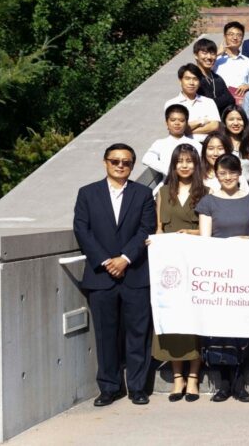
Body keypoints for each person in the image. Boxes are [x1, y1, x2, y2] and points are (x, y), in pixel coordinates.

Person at [73, 143, 156, 407]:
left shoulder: (143, 194)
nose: (121, 165)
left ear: (132, 165)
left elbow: (146, 229)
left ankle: (138, 387)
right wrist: (107, 261)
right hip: (101, 276)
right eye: (115, 161)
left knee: (138, 333)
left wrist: (125, 259)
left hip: (135, 274)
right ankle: (109, 387)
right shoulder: (87, 193)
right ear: (105, 162)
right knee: (105, 334)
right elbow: (82, 230)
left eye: (126, 162)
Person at [196, 154, 249, 402]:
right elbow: (205, 240)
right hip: (218, 273)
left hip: (245, 270)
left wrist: (246, 240)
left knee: (241, 328)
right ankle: (222, 383)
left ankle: (239, 382)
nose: (227, 177)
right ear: (215, 174)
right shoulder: (208, 202)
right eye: (222, 173)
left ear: (240, 174)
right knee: (218, 328)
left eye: (232, 172)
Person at [153, 144, 205, 402]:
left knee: (193, 320)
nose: (184, 166)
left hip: (195, 263)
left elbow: (210, 230)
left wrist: (192, 233)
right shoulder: (162, 192)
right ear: (173, 165)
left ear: (196, 164)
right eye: (179, 161)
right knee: (172, 318)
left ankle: (193, 378)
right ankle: (177, 378)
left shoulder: (205, 192)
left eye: (189, 161)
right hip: (170, 266)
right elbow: (159, 228)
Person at [142, 104, 197, 177]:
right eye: (173, 120)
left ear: (186, 123)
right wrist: (170, 170)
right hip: (169, 184)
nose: (177, 123)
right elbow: (147, 158)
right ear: (166, 123)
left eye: (181, 120)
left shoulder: (196, 144)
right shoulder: (160, 143)